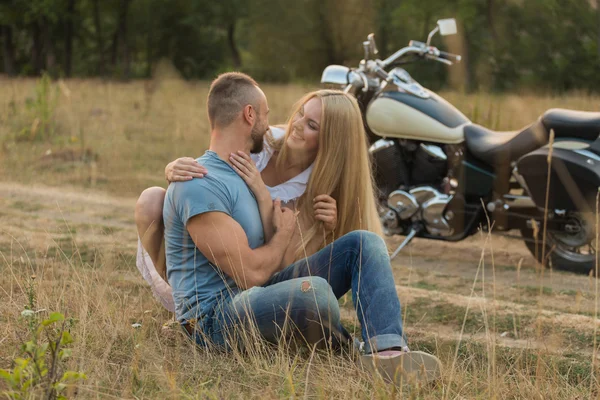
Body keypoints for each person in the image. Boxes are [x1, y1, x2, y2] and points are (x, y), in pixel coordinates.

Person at [151, 72, 442, 383]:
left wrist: (319, 227)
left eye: (311, 124)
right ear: (250, 115)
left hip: (259, 292)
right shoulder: (203, 181)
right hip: (213, 319)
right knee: (313, 294)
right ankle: (352, 350)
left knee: (365, 244)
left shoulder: (250, 170)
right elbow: (250, 275)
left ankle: (387, 353)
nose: (289, 124)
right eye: (267, 113)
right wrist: (285, 234)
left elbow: (271, 265)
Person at [135, 89, 382, 311]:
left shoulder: (318, 190)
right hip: (217, 250)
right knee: (152, 200)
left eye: (312, 125)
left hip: (260, 271)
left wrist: (322, 233)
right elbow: (208, 180)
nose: (295, 125)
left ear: (332, 141)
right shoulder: (259, 142)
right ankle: (182, 299)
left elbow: (286, 266)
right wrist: (174, 168)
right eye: (300, 114)